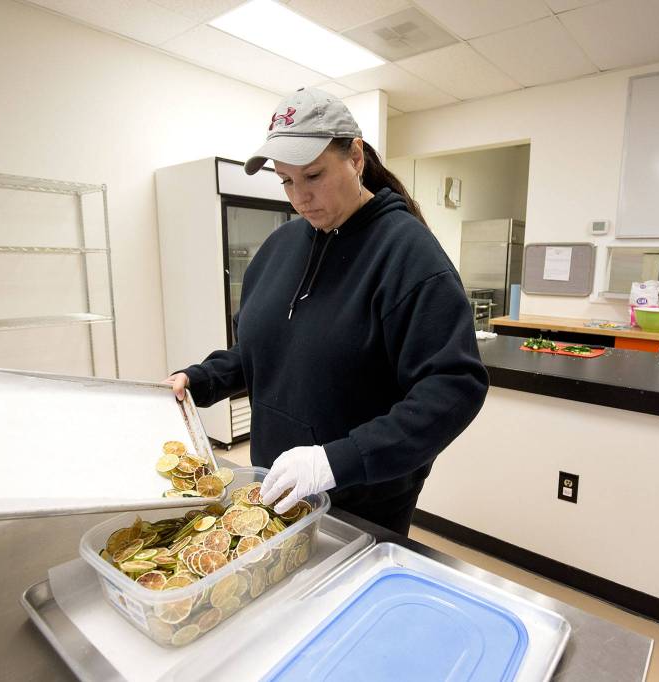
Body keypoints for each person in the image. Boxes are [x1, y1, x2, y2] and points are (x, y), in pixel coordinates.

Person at [166, 87, 488, 535]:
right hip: (277, 483)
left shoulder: (408, 254)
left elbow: (453, 387)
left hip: (364, 500)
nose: (299, 198)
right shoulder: (279, 246)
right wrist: (200, 379)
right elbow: (261, 348)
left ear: (356, 157)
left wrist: (337, 460)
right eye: (286, 181)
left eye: (313, 176)